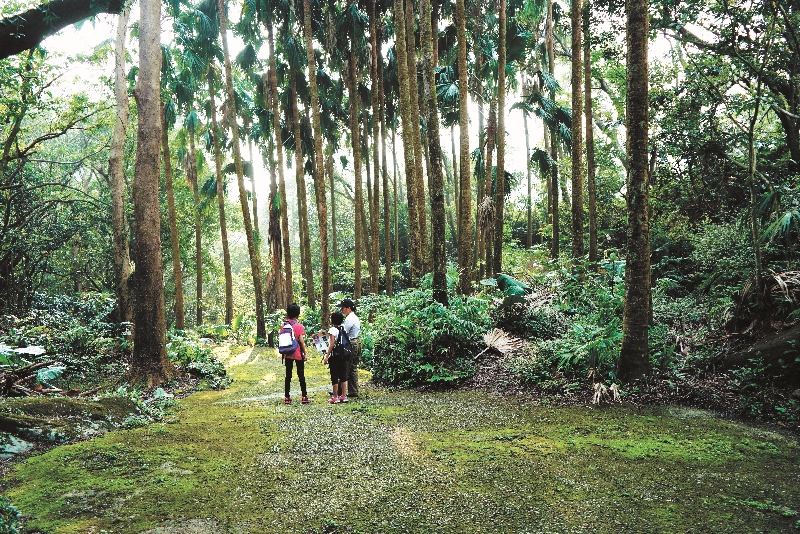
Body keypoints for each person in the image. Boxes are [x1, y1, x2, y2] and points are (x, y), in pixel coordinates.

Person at [282, 303, 309, 405]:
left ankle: (287, 397)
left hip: (287, 353)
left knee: (288, 375)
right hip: (297, 353)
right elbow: (301, 341)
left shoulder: (284, 325)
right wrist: (304, 353)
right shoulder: (299, 326)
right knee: (301, 374)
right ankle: (304, 396)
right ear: (298, 314)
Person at [336, 298, 361, 398]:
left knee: (346, 366)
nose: (342, 310)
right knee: (352, 367)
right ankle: (353, 390)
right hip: (356, 342)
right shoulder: (352, 317)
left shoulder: (350, 319)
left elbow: (344, 331)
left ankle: (339, 390)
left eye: (343, 308)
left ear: (348, 308)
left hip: (351, 344)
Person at [323, 311, 349, 403]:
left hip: (335, 356)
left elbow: (331, 344)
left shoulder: (332, 330)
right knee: (343, 376)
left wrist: (326, 356)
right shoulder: (343, 328)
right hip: (344, 355)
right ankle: (344, 396)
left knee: (334, 375)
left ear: (333, 320)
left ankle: (335, 397)